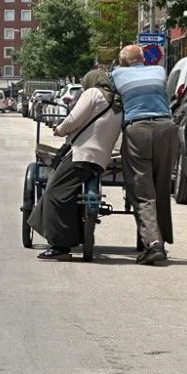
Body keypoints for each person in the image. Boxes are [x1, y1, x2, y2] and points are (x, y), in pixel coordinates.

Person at [28, 69, 123, 260]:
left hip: (83, 155)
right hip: (100, 159)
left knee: (55, 192)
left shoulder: (93, 94)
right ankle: (65, 233)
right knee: (66, 191)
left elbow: (74, 119)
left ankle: (61, 247)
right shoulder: (117, 102)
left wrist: (60, 130)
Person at [110, 43, 178, 265]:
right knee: (161, 187)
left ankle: (153, 244)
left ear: (122, 61)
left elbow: (113, 100)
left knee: (142, 189)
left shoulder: (117, 74)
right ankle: (161, 239)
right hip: (166, 128)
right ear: (144, 59)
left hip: (138, 129)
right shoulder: (159, 71)